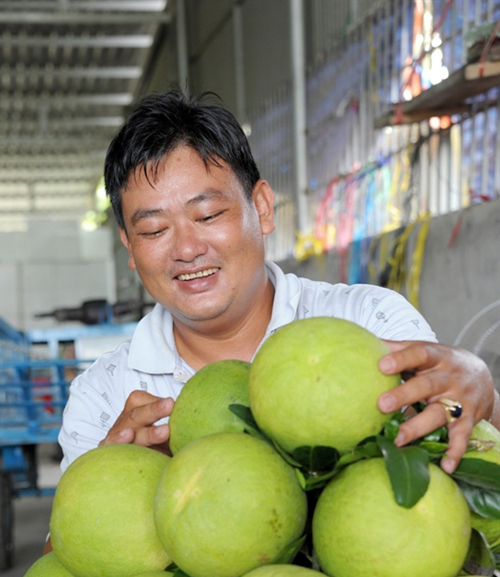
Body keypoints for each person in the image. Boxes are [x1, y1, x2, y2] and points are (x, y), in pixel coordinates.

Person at [58, 89, 499, 475]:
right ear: (130, 248)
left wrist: (484, 396)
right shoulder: (104, 394)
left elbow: (463, 449)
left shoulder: (368, 323)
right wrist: (109, 470)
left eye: (208, 215)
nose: (187, 249)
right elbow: (59, 554)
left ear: (263, 208)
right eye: (154, 230)